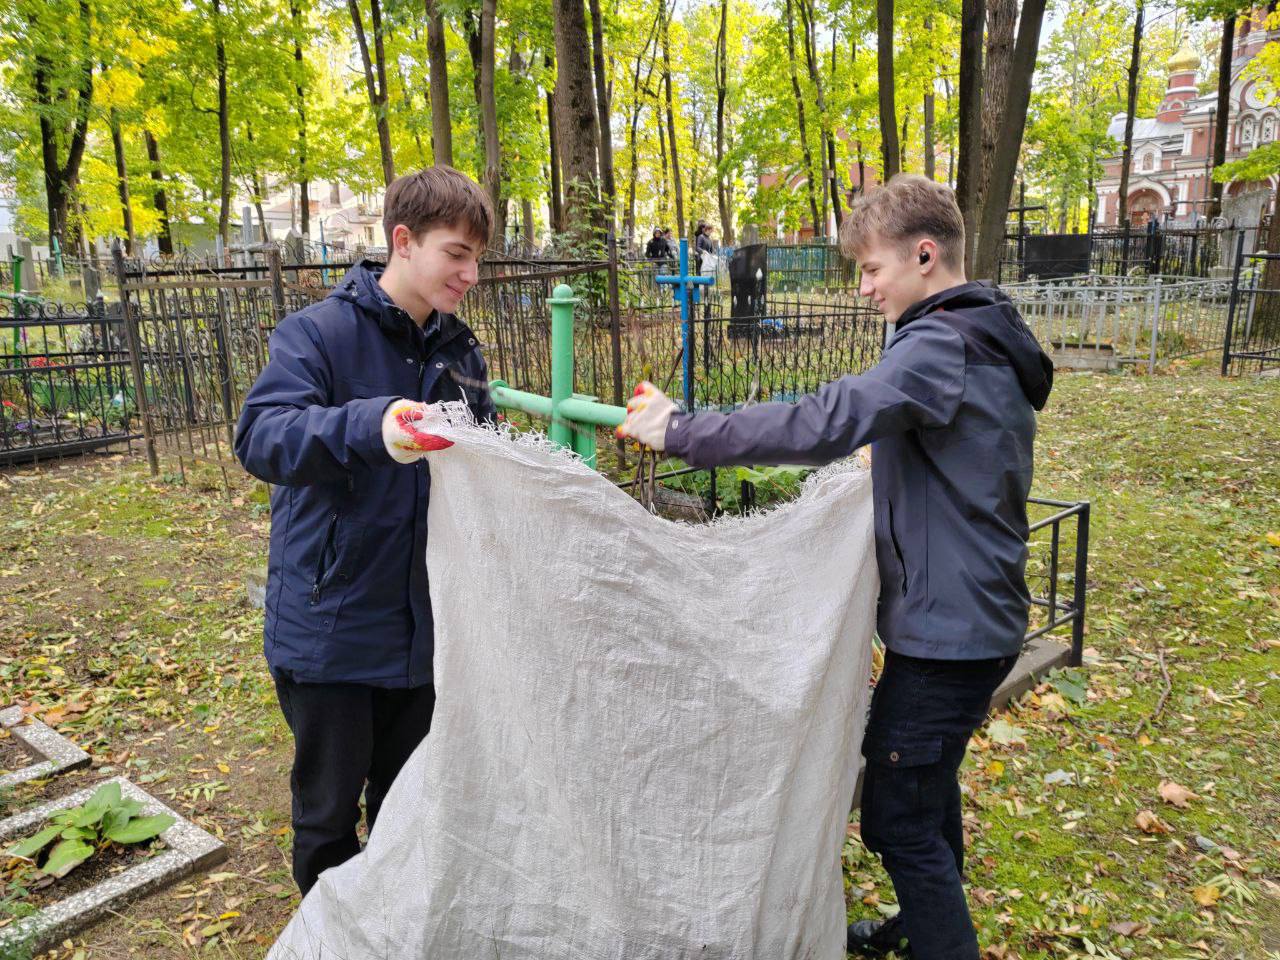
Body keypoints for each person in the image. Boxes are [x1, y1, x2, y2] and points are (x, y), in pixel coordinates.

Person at [617, 174, 1053, 960]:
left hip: (948, 633)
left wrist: (684, 430)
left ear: (925, 256)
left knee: (899, 816)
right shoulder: (976, 336)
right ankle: (918, 927)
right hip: (970, 615)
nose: (863, 289)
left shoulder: (942, 346)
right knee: (929, 790)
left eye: (872, 269)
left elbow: (825, 417)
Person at [234, 166, 496, 895]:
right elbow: (262, 437)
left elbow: (481, 461)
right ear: (403, 242)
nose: (471, 273)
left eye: (478, 258)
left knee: (407, 809)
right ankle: (330, 934)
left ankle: (390, 925)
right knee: (326, 820)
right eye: (456, 253)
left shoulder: (459, 355)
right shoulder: (316, 336)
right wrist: (371, 425)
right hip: (332, 633)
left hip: (423, 632)